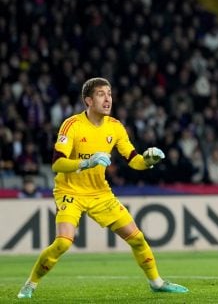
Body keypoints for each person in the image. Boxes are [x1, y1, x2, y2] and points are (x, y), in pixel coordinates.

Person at [17, 78, 188, 299]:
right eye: (101, 94)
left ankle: (156, 282)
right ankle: (30, 284)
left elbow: (133, 159)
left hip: (100, 193)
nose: (107, 98)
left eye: (109, 93)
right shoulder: (72, 125)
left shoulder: (115, 127)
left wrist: (149, 160)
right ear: (88, 100)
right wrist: (86, 163)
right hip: (70, 191)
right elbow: (57, 163)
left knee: (137, 238)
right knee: (63, 242)